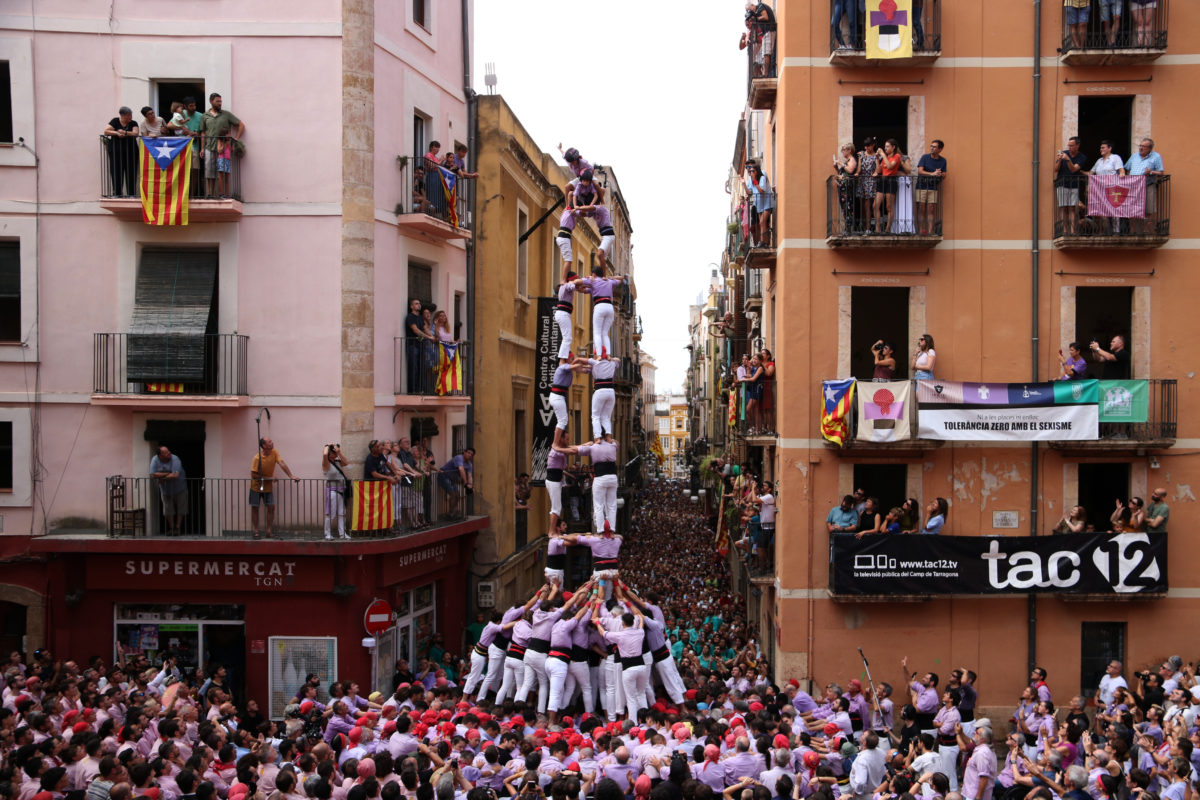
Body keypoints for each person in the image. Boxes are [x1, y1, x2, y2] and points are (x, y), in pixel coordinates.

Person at [556, 170, 616, 276]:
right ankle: (603, 276)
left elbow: (589, 207)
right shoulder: (571, 210)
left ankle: (604, 277)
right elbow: (572, 195)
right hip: (566, 236)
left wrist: (578, 207)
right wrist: (573, 205)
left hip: (608, 235)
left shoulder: (600, 208)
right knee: (599, 256)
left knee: (600, 254)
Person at [249, 437, 298, 539]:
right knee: (255, 508)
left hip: (267, 487)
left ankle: (268, 531)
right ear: (264, 446)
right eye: (269, 442)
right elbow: (253, 475)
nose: (272, 443)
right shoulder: (257, 458)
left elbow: (282, 463)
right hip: (256, 487)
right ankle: (256, 531)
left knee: (271, 507)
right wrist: (269, 478)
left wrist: (291, 476)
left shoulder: (275, 452)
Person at [199, 92, 244, 199]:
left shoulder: (226, 114)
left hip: (223, 149)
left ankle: (219, 194)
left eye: (221, 101)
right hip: (209, 146)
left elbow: (241, 125)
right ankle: (210, 194)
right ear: (211, 101)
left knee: (221, 173)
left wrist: (236, 139)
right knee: (209, 171)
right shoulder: (205, 116)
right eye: (217, 101)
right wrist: (202, 148)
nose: (220, 103)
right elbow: (203, 132)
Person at [581, 268, 626, 360]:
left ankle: (599, 355)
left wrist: (587, 278)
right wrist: (610, 277)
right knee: (605, 333)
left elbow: (578, 283)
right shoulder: (609, 282)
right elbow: (621, 279)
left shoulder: (592, 281)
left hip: (599, 306)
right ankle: (608, 355)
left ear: (594, 274)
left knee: (597, 333)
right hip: (610, 307)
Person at [1124, 138, 1165, 234]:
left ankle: (1146, 230)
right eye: (1140, 146)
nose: (1141, 148)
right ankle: (1132, 230)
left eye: (1144, 146)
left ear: (1150, 148)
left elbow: (1161, 172)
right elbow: (1126, 168)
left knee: (1149, 208)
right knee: (1132, 208)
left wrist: (1150, 171)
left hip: (1148, 185)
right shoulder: (1134, 156)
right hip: (1133, 186)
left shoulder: (1156, 156)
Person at [149, 445, 188, 535]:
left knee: (181, 508)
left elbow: (175, 475)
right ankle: (172, 527)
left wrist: (162, 478)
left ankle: (178, 527)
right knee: (168, 510)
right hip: (165, 490)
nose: (169, 453)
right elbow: (153, 475)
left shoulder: (175, 459)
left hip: (180, 488)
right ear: (160, 455)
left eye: (168, 451)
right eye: (166, 453)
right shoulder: (155, 460)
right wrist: (168, 473)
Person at [103, 107, 140, 197]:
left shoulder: (133, 123)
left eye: (131, 115)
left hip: (131, 152)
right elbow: (106, 131)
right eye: (129, 115)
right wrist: (116, 133)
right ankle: (117, 193)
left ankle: (131, 193)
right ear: (123, 115)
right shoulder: (115, 121)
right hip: (116, 152)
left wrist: (125, 132)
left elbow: (135, 133)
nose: (131, 117)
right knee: (116, 171)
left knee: (131, 172)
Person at [1054, 137, 1087, 236]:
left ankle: (1072, 231)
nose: (1069, 147)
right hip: (1062, 184)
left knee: (1072, 208)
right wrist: (1059, 160)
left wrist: (1068, 160)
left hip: (1074, 185)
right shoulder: (1064, 153)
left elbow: (1074, 170)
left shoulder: (1082, 157)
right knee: (1063, 208)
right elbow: (1055, 169)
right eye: (1069, 145)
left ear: (1077, 145)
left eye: (1071, 145)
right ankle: (1064, 230)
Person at [873, 139, 907, 234]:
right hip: (883, 180)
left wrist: (883, 155)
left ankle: (888, 229)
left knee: (889, 207)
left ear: (893, 147)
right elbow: (879, 170)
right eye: (885, 146)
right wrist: (877, 159)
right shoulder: (885, 158)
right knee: (875, 205)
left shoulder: (897, 156)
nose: (885, 148)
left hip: (891, 180)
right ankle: (877, 227)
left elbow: (890, 167)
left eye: (887, 146)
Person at [915, 140, 947, 236]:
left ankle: (930, 231)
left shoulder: (943, 161)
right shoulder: (925, 157)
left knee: (931, 208)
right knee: (921, 208)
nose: (932, 148)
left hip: (933, 187)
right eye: (931, 146)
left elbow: (944, 174)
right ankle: (921, 230)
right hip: (921, 186)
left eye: (934, 147)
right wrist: (932, 174)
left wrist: (939, 174)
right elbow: (920, 171)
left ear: (940, 149)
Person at [322, 444, 350, 540]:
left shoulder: (338, 462)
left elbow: (346, 462)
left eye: (335, 451)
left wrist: (339, 452)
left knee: (342, 513)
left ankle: (342, 534)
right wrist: (329, 445)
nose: (335, 453)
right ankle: (327, 534)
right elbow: (324, 454)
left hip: (341, 491)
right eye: (333, 451)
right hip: (332, 491)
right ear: (330, 453)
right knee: (331, 513)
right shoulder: (326, 463)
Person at [439, 448, 474, 517]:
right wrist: (465, 483)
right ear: (464, 452)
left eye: (471, 454)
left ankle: (452, 513)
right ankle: (451, 513)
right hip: (444, 475)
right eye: (468, 453)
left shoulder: (469, 464)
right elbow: (461, 469)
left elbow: (470, 475)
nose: (469, 455)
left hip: (452, 479)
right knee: (453, 494)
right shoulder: (459, 458)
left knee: (457, 496)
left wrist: (470, 485)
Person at [833, 144, 859, 235]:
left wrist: (840, 163)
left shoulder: (852, 160)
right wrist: (836, 167)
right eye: (842, 150)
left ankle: (849, 228)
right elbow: (844, 173)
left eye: (844, 150)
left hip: (848, 188)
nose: (843, 152)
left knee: (848, 206)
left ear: (850, 150)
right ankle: (847, 227)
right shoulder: (847, 161)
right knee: (844, 207)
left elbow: (850, 170)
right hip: (843, 188)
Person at [747, 163, 774, 246]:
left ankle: (764, 241)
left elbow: (761, 190)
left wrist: (755, 180)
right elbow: (749, 192)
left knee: (763, 221)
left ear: (757, 171)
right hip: (759, 204)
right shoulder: (751, 181)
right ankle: (763, 242)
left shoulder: (762, 178)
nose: (751, 172)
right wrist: (743, 184)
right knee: (761, 223)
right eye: (750, 171)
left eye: (753, 171)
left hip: (767, 202)